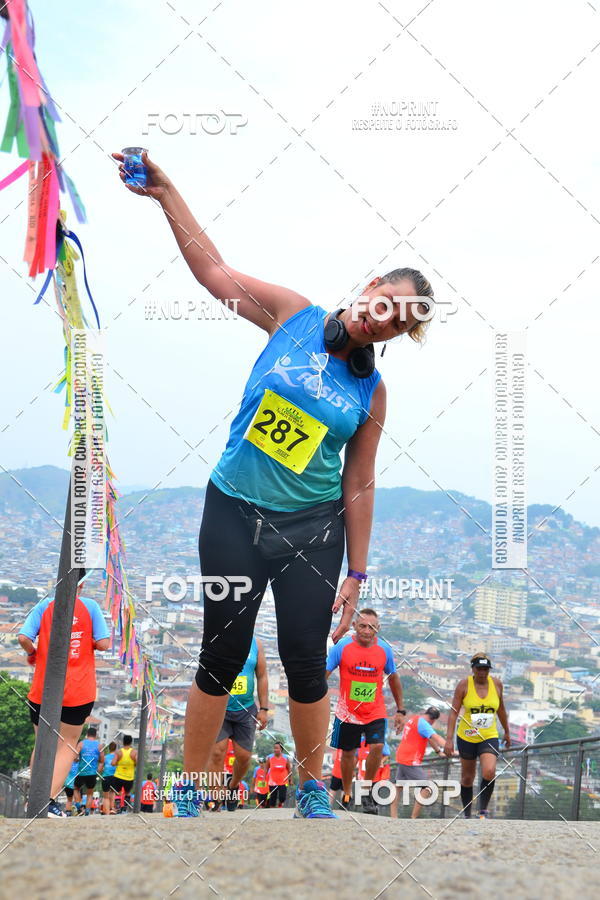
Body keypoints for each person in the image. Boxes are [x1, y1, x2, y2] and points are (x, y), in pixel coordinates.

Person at [113, 149, 434, 819]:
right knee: (223, 651)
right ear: (371, 284)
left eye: (398, 322)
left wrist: (358, 572)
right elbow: (214, 272)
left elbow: (360, 481)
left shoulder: (372, 391)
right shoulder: (293, 316)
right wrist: (168, 193)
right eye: (385, 303)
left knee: (306, 659)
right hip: (233, 509)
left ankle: (312, 789)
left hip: (312, 530)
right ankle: (192, 788)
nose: (382, 319)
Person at [18, 591, 110, 817]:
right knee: (67, 745)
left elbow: (23, 638)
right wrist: (85, 641)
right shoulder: (90, 606)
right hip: (77, 691)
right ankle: (46, 802)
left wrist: (34, 653)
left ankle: (33, 799)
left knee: (42, 742)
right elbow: (104, 644)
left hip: (43, 688)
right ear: (82, 582)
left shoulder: (44, 606)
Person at [327, 608, 405, 814]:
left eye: (371, 627)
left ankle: (367, 791)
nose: (367, 631)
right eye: (362, 626)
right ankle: (346, 793)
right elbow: (323, 673)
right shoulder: (342, 647)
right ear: (354, 626)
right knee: (347, 754)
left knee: (377, 746)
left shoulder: (384, 650)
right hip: (347, 712)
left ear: (378, 629)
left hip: (375, 710)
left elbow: (393, 678)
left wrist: (401, 710)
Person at [445, 654, 511, 819]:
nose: (482, 672)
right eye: (479, 669)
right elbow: (453, 713)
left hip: (489, 735)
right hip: (467, 736)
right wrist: (449, 739)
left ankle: (482, 811)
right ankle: (467, 814)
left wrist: (507, 731)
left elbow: (501, 709)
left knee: (489, 771)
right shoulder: (464, 685)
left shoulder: (496, 684)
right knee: (468, 778)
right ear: (473, 669)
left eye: (485, 669)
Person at [207, 636, 269, 812]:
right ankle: (215, 795)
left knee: (244, 757)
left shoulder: (256, 644)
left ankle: (233, 786)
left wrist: (264, 708)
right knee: (217, 753)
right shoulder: (219, 638)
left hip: (246, 710)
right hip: (220, 707)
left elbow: (262, 676)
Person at [391, 706, 446, 819]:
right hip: (411, 759)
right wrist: (450, 749)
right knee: (427, 788)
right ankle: (413, 818)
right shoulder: (424, 724)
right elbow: (436, 737)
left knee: (398, 786)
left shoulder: (414, 718)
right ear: (433, 720)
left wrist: (438, 751)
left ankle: (393, 817)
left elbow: (429, 738)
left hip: (401, 756)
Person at [74, 726, 104, 815]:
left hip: (81, 772)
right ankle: (87, 811)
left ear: (87, 734)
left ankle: (78, 805)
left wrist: (78, 759)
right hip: (92, 773)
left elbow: (75, 757)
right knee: (90, 793)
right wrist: (98, 771)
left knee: (76, 788)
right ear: (96, 735)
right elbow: (102, 761)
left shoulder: (81, 744)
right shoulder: (99, 746)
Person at [112, 734, 138, 813]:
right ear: (131, 742)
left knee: (118, 793)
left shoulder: (119, 752)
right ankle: (124, 809)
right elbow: (137, 763)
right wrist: (132, 764)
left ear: (123, 742)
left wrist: (119, 763)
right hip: (129, 777)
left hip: (118, 776)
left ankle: (118, 808)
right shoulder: (134, 752)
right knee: (127, 793)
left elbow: (113, 763)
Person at [266, 742, 292, 808]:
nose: (275, 750)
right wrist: (264, 779)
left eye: (277, 748)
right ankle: (271, 810)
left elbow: (289, 770)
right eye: (274, 748)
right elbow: (266, 769)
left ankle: (280, 804)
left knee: (282, 797)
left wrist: (290, 779)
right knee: (272, 798)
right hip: (272, 782)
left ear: (281, 749)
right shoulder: (270, 758)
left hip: (283, 781)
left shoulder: (286, 758)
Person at [101, 741, 118, 815]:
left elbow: (100, 768)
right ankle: (111, 809)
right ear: (115, 748)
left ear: (109, 749)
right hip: (114, 777)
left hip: (106, 777)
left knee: (106, 796)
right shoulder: (117, 757)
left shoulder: (105, 757)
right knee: (113, 793)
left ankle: (106, 811)